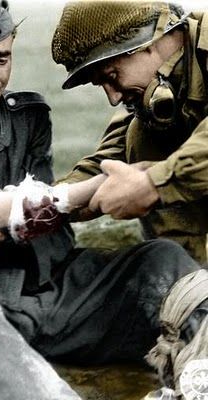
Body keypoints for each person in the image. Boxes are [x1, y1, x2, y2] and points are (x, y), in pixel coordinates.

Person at [0, 1, 205, 399]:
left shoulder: (29, 116)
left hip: (45, 290)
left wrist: (150, 180)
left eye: (1, 57)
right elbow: (2, 206)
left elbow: (46, 213)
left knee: (160, 260)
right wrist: (138, 180)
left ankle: (200, 380)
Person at [52, 0, 208, 264]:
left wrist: (152, 184)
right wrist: (39, 205)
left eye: (112, 76)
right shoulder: (150, 98)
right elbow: (106, 164)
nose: (113, 98)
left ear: (148, 44)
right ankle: (190, 283)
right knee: (140, 137)